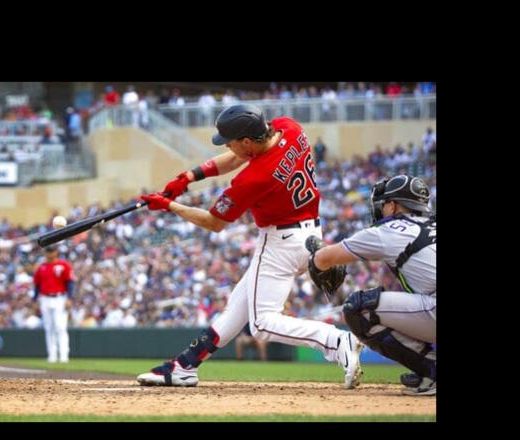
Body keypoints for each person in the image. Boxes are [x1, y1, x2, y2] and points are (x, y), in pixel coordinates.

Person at [135, 103, 363, 388]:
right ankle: (185, 366)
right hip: (310, 234)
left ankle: (336, 340)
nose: (229, 147)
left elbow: (214, 223)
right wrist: (190, 176)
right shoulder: (289, 128)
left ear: (246, 141)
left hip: (280, 242)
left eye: (231, 142)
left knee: (262, 323)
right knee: (238, 307)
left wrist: (170, 206)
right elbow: (237, 158)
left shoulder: (254, 178)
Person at [306, 174, 436, 395]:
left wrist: (316, 254)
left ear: (393, 206)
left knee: (359, 308)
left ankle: (431, 370)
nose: (381, 208)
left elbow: (324, 260)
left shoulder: (392, 229)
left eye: (384, 204)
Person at [33, 245, 76, 363]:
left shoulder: (63, 265)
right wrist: (35, 300)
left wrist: (69, 298)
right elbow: (37, 286)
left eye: (51, 251)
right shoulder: (41, 267)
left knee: (60, 327)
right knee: (49, 328)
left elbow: (70, 283)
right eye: (48, 251)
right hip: (45, 298)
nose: (49, 253)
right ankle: (52, 356)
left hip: (60, 298)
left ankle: (63, 356)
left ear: (56, 252)